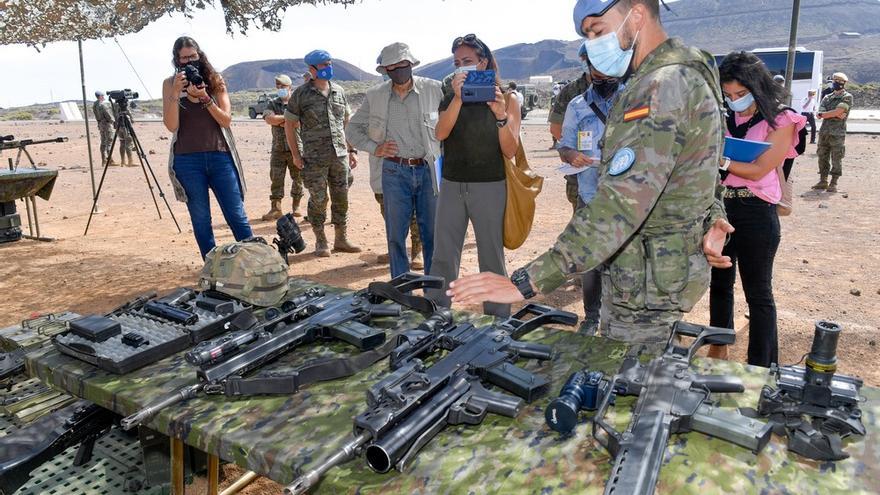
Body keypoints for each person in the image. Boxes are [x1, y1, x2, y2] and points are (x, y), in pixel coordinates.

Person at [448, 0, 733, 351]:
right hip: (655, 271)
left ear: (637, 14)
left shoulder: (660, 86)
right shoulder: (693, 71)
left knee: (626, 382)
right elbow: (699, 167)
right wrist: (714, 217)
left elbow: (620, 206)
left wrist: (524, 283)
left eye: (598, 30)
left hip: (643, 284)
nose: (594, 44)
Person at [708, 51, 806, 367]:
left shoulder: (782, 119)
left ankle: (761, 366)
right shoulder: (723, 118)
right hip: (722, 208)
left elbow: (759, 169)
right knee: (719, 284)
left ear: (757, 86)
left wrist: (720, 159)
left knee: (758, 293)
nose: (734, 100)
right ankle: (718, 347)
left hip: (756, 212)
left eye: (740, 94)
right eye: (728, 95)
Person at [427, 34, 522, 318]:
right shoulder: (449, 97)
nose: (462, 68)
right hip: (452, 184)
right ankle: (435, 311)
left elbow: (510, 150)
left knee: (491, 256)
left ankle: (497, 319)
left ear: (484, 63)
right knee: (443, 254)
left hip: (490, 186)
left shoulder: (507, 98)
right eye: (457, 63)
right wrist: (457, 98)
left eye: (468, 61)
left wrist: (500, 114)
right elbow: (440, 133)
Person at [347, 42, 440, 276]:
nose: (400, 69)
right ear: (385, 71)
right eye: (393, 66)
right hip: (393, 172)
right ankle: (401, 286)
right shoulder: (375, 96)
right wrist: (374, 148)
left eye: (404, 64)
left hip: (428, 170)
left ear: (411, 64)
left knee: (432, 234)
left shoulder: (434, 90)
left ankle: (433, 288)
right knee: (396, 236)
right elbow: (352, 130)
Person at [162, 36, 253, 259]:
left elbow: (226, 120)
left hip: (219, 157)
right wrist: (176, 92)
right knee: (201, 219)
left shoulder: (214, 80)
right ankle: (213, 267)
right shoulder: (170, 84)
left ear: (200, 55)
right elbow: (171, 125)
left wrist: (205, 98)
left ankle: (255, 261)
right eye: (183, 58)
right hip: (187, 161)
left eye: (192, 56)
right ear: (177, 60)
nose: (189, 61)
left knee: (236, 214)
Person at [557, 56, 623, 335]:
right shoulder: (577, 105)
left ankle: (617, 319)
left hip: (627, 197)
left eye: (606, 69)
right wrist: (572, 155)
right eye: (595, 69)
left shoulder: (631, 99)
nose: (601, 75)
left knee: (622, 258)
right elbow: (565, 146)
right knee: (589, 260)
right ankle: (592, 317)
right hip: (589, 193)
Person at [284, 50, 361, 257]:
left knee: (341, 197)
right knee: (319, 199)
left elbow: (346, 122)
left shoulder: (339, 91)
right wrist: (296, 154)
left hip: (340, 156)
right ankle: (321, 239)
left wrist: (351, 149)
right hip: (314, 158)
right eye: (324, 65)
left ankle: (341, 238)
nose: (328, 68)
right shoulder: (301, 94)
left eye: (329, 63)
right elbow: (289, 125)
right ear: (312, 69)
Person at [549, 43, 592, 213]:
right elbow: (555, 128)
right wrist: (573, 149)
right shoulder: (571, 91)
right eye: (587, 59)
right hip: (580, 170)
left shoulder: (621, 87)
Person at [261, 74, 304, 221]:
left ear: (290, 87)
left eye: (283, 87)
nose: (280, 89)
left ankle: (296, 206)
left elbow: (300, 121)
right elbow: (269, 119)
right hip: (278, 148)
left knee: (298, 178)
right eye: (278, 86)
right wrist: (288, 120)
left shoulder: (297, 102)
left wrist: (281, 121)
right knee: (276, 178)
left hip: (296, 149)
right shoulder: (272, 103)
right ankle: (276, 208)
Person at [813, 72, 853, 193]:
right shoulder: (827, 97)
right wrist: (834, 113)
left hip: (837, 133)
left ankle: (834, 182)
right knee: (822, 156)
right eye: (835, 81)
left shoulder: (847, 96)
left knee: (837, 157)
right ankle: (823, 180)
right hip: (824, 132)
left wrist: (829, 114)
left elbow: (839, 111)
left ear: (843, 83)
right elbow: (820, 114)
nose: (837, 83)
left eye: (839, 82)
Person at [92, 91, 116, 166]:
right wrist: (113, 121)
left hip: (101, 124)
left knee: (103, 142)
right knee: (109, 142)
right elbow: (108, 114)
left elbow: (96, 115)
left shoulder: (95, 104)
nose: (104, 97)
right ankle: (110, 160)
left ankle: (104, 160)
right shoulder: (103, 104)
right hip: (107, 124)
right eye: (103, 95)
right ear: (100, 96)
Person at [111, 100, 135, 166]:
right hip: (125, 126)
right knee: (128, 142)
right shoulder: (123, 104)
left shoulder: (114, 105)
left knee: (122, 142)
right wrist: (131, 119)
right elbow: (128, 113)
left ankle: (123, 161)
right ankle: (130, 162)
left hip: (118, 126)